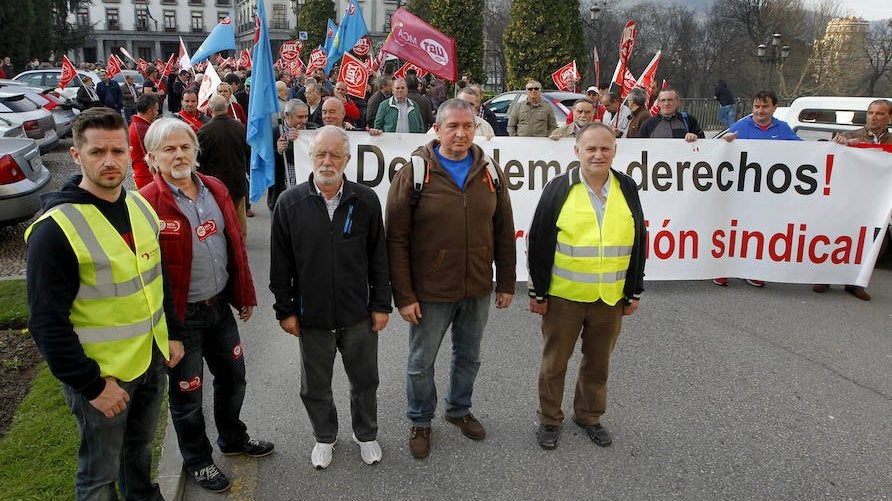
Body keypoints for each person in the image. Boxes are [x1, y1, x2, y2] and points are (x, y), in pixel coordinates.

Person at [25, 107, 184, 500]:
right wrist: (92, 385)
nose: (110, 161)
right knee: (99, 475)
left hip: (149, 360)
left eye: (117, 151)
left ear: (130, 153)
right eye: (97, 153)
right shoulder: (55, 230)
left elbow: (156, 280)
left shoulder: (140, 206)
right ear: (77, 156)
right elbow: (47, 323)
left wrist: (172, 336)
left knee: (139, 455)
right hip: (101, 377)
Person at [140, 118, 273, 493]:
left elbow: (235, 246)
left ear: (196, 151)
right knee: (188, 394)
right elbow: (144, 276)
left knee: (233, 378)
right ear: (153, 157)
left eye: (185, 146)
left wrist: (244, 295)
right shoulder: (147, 202)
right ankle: (197, 460)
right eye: (169, 149)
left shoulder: (215, 188)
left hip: (219, 310)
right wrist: (164, 330)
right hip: (180, 319)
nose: (179, 154)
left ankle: (232, 438)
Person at [386, 99, 516, 459]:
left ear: (476, 129)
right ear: (438, 129)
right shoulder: (414, 171)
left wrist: (505, 281)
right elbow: (395, 238)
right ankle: (420, 420)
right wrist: (404, 295)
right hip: (430, 290)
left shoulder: (489, 169)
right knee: (420, 362)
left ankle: (459, 409)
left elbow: (504, 229)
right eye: (452, 127)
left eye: (468, 126)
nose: (461, 133)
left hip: (476, 286)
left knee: (469, 357)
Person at [269, 125, 392, 469]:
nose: (327, 161)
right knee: (315, 386)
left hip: (359, 316)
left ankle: (366, 434)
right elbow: (280, 265)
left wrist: (381, 304)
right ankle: (325, 437)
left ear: (347, 159)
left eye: (335, 154)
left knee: (365, 381)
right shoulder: (289, 203)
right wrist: (286, 310)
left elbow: (378, 258)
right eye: (321, 154)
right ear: (311, 156)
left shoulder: (365, 200)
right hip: (312, 318)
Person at [527, 122, 645, 451]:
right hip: (565, 296)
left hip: (610, 297)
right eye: (590, 148)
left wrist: (634, 290)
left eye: (605, 148)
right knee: (555, 363)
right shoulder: (559, 188)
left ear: (615, 151)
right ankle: (549, 419)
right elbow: (538, 241)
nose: (598, 154)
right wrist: (538, 292)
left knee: (598, 364)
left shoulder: (627, 187)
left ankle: (589, 415)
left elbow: (639, 241)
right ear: (576, 150)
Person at [715, 90, 802, 288]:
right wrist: (725, 143)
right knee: (733, 231)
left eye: (765, 106)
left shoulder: (783, 128)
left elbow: (804, 153)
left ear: (774, 108)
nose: (760, 111)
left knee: (760, 231)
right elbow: (717, 151)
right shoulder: (741, 125)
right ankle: (722, 269)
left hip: (768, 193)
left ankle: (754, 270)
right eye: (756, 106)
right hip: (740, 190)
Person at [813, 99, 892, 301]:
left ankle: (855, 282)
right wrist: (843, 145)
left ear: (889, 117)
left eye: (880, 114)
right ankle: (825, 277)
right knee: (838, 236)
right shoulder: (851, 136)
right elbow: (831, 156)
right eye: (871, 113)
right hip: (850, 198)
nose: (874, 117)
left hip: (877, 203)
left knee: (876, 241)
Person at [197, 94, 250, 239]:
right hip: (237, 181)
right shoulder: (239, 127)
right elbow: (247, 151)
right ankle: (240, 247)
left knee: (219, 220)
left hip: (214, 185)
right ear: (227, 107)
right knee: (238, 222)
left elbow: (198, 159)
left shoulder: (205, 131)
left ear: (210, 109)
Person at [270, 99, 317, 210]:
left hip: (309, 193)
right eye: (300, 117)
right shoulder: (275, 133)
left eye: (306, 116)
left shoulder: (313, 129)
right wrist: (278, 151)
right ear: (287, 115)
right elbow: (267, 164)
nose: (304, 121)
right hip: (283, 192)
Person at [637, 88, 704, 142]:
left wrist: (695, 137)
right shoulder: (648, 124)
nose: (666, 103)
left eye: (670, 100)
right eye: (663, 100)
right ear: (658, 103)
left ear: (678, 102)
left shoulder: (689, 120)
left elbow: (704, 143)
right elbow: (637, 146)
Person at [426, 87, 494, 139]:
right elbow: (427, 143)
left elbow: (494, 150)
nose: (466, 107)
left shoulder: (485, 127)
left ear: (476, 106)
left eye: (471, 104)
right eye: (463, 103)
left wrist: (491, 141)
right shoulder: (442, 124)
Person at [129, 94, 161, 188]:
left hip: (145, 175)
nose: (157, 113)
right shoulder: (141, 128)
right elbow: (150, 156)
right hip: (146, 177)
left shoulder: (139, 124)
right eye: (156, 110)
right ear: (149, 111)